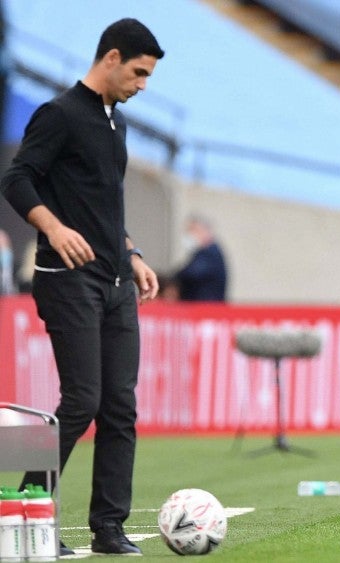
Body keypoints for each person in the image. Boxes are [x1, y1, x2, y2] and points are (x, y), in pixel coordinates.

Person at [0, 18, 164, 554]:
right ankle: (16, 510)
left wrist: (132, 251)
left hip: (115, 279)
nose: (142, 85)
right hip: (66, 278)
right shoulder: (60, 114)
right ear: (111, 58)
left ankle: (108, 529)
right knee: (82, 400)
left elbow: (102, 205)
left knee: (120, 406)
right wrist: (52, 226)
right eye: (138, 73)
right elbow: (16, 178)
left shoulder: (115, 123)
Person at [173, 213, 228, 302]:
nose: (189, 234)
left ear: (204, 230)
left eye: (192, 230)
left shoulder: (210, 253)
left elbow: (191, 274)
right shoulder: (200, 253)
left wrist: (173, 278)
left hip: (206, 308)